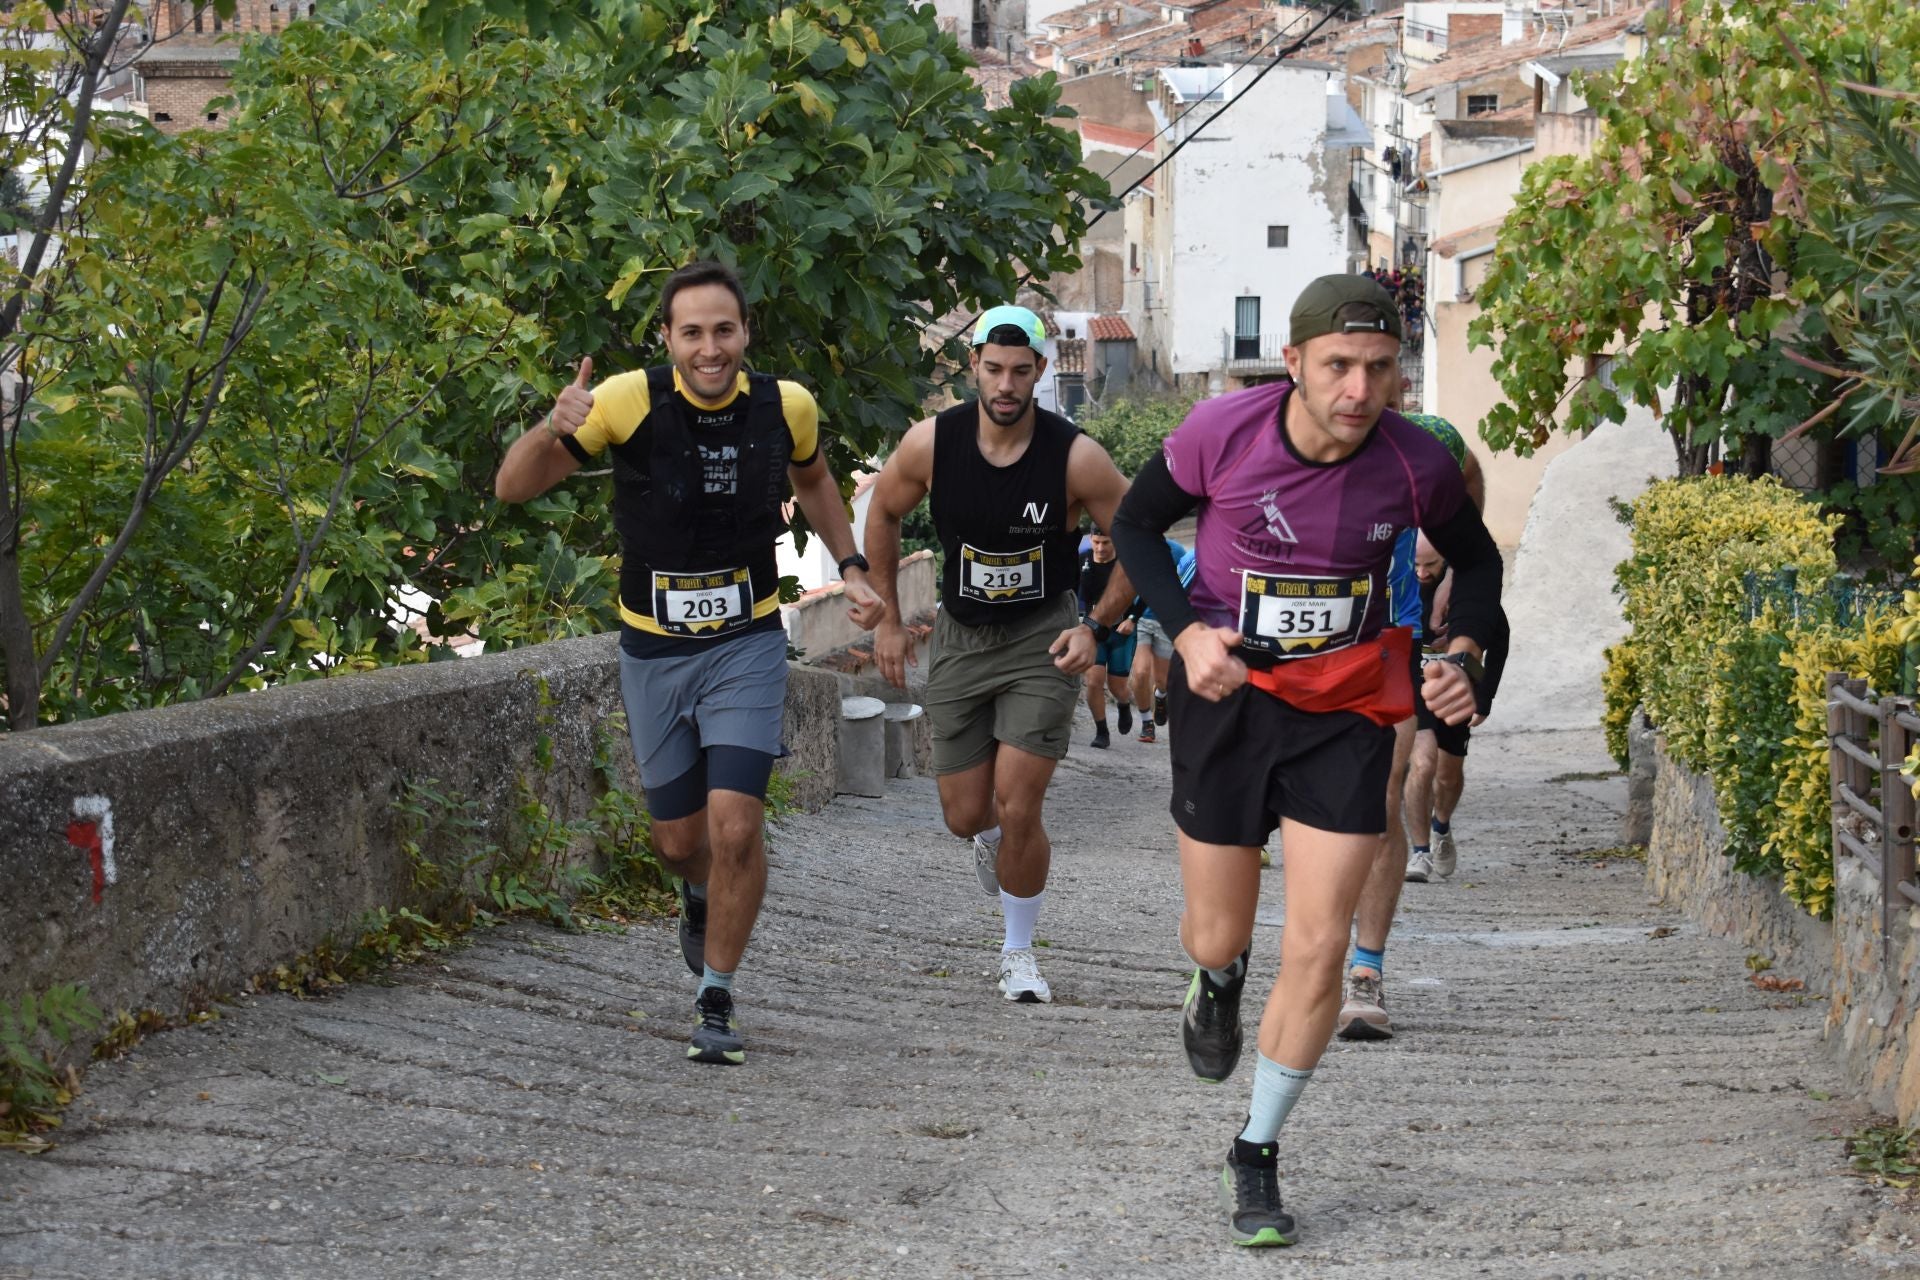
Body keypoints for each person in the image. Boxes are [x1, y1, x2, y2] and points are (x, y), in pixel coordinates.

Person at [1110, 275, 1502, 1246]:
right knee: (1215, 930)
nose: (1359, 389)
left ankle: (1258, 1148)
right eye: (1338, 366)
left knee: (1321, 940)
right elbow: (1133, 524)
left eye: (1378, 368)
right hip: (1229, 697)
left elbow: (1479, 563)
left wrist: (1461, 653)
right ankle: (1218, 974)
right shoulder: (1223, 432)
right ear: (1293, 363)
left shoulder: (1416, 464)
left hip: (1349, 706)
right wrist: (1187, 629)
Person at [493, 260, 882, 1067]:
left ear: (746, 334)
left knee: (736, 824)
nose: (711, 349)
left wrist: (850, 567)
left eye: (725, 331)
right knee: (678, 842)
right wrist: (553, 425)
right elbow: (512, 489)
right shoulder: (627, 403)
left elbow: (813, 478)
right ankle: (698, 895)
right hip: (655, 649)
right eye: (693, 333)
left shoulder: (787, 406)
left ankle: (716, 994)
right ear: (668, 339)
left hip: (746, 641)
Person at [863, 303, 1134, 1004]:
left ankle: (1019, 954)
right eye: (993, 370)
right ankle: (990, 844)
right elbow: (884, 511)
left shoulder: (1075, 456)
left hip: (1041, 638)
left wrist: (1097, 626)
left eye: (1021, 371)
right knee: (965, 814)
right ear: (973, 369)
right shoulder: (933, 443)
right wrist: (889, 620)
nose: (1007, 385)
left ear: (1041, 371)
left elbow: (1139, 536)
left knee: (1020, 805)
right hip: (959, 634)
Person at [1337, 410, 1484, 1042]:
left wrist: (1453, 571)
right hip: (1301, 645)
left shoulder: (1439, 449)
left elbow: (1470, 499)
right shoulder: (1306, 452)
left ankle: (1365, 972)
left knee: (1383, 795)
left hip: (1390, 641)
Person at [1405, 530, 1508, 882]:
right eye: (1415, 564)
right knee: (1422, 763)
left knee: (1448, 774)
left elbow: (1500, 637)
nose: (1421, 573)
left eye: (1430, 564)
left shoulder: (1462, 588)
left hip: (1453, 686)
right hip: (1412, 686)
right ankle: (1419, 854)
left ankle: (1441, 826)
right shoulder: (1400, 585)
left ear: (1446, 560)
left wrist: (1485, 697)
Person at [1128, 538, 1194, 744]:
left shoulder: (1177, 551)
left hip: (1166, 621)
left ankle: (1161, 694)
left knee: (1162, 680)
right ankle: (1147, 722)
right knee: (1140, 673)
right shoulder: (1135, 544)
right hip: (1141, 619)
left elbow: (1187, 583)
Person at [1078, 528, 1138, 748]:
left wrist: (1132, 619)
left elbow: (1147, 591)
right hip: (1092, 628)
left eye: (1106, 543)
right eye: (1096, 543)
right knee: (1093, 681)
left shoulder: (1126, 562)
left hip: (1121, 629)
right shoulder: (1082, 560)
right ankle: (1101, 731)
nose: (1100, 549)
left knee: (1117, 686)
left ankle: (1123, 703)